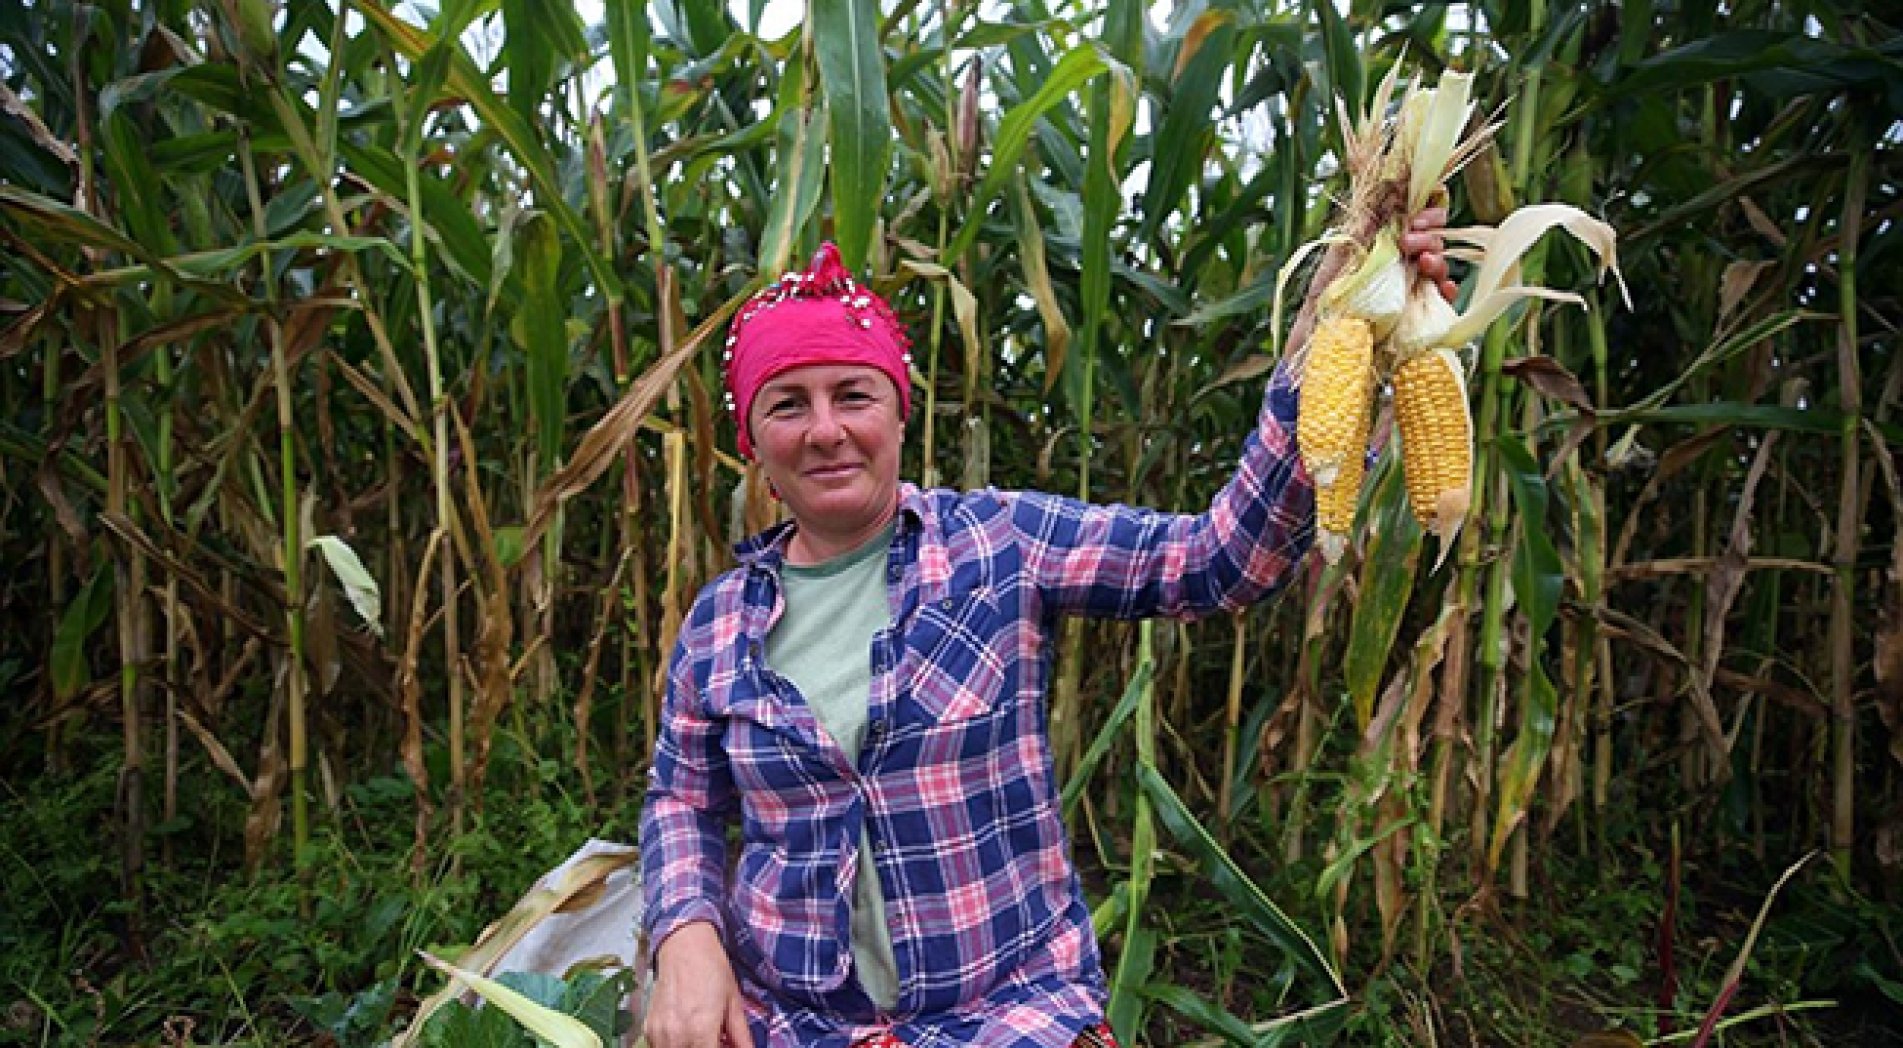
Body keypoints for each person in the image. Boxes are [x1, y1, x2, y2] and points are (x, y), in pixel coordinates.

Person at [641, 218, 1455, 1048]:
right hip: (797, 1023)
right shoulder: (719, 624)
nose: (824, 429)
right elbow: (680, 799)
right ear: (752, 443)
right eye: (787, 404)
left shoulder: (1001, 545)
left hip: (1006, 1013)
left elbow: (1218, 562)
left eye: (853, 394)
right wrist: (685, 934)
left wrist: (1332, 336)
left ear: (897, 411)